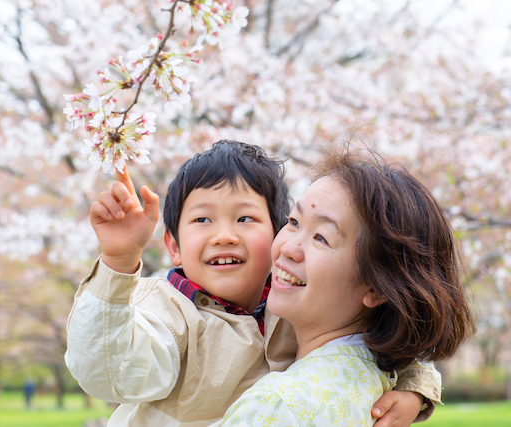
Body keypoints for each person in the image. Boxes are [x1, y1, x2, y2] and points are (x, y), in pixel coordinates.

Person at [65, 140, 443, 426]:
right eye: (202, 220)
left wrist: (415, 388)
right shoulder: (167, 313)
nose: (224, 236)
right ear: (174, 248)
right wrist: (117, 263)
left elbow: (381, 339)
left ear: (276, 234)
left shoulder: (293, 310)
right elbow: (109, 369)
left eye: (245, 219)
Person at [221, 144, 476, 426]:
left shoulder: (277, 407)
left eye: (321, 237)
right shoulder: (380, 376)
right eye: (293, 221)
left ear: (378, 289)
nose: (288, 248)